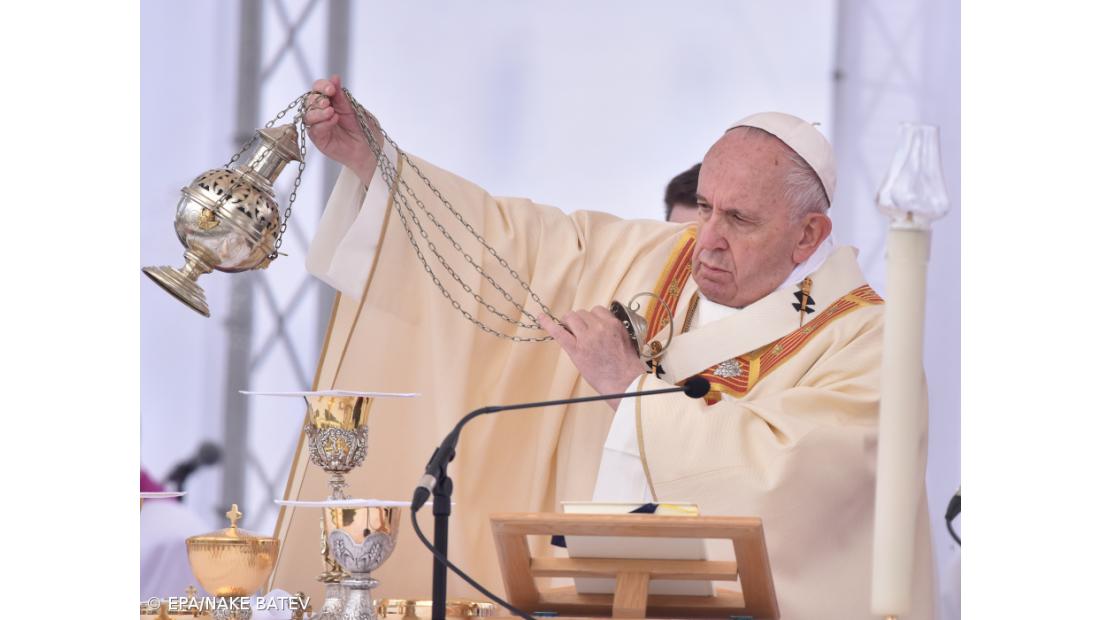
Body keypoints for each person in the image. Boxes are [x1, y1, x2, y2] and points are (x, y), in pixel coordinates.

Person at [271, 75, 936, 619]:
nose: (706, 240)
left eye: (739, 219)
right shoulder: (655, 258)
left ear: (807, 233)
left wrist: (630, 391)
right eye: (704, 207)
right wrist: (380, 167)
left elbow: (795, 482)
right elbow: (514, 250)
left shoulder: (865, 341)